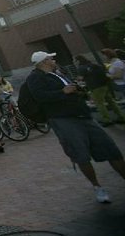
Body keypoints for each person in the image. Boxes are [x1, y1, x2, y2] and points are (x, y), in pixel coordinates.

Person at [28, 51, 125, 204]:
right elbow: (40, 97)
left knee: (110, 148)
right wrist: (62, 92)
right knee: (80, 154)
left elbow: (70, 89)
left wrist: (80, 91)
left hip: (82, 115)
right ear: (43, 62)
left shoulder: (58, 73)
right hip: (64, 119)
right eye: (51, 58)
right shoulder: (35, 78)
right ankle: (97, 187)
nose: (54, 60)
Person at [76, 54, 125, 126]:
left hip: (94, 87)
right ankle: (121, 116)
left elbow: (81, 78)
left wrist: (77, 80)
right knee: (111, 102)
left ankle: (107, 120)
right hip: (103, 85)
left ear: (78, 60)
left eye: (75, 60)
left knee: (100, 103)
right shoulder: (94, 65)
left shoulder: (81, 68)